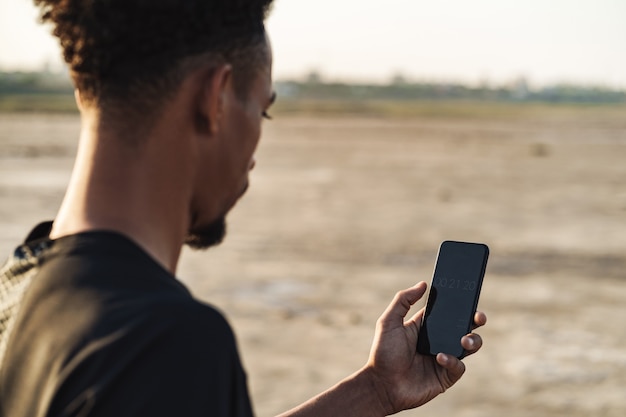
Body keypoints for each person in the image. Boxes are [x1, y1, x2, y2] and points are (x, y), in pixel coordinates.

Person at [0, 1, 487, 416]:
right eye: (262, 109)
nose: (255, 147)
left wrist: (376, 389)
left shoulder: (19, 288)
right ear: (214, 98)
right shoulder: (164, 341)